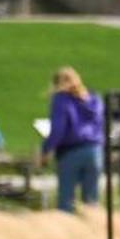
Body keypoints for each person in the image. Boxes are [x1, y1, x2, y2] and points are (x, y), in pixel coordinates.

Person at [38, 67, 105, 214]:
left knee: (66, 202)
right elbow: (102, 126)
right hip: (95, 151)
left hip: (71, 152)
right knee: (91, 201)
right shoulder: (95, 99)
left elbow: (58, 130)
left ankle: (67, 232)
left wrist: (45, 150)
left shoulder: (61, 99)